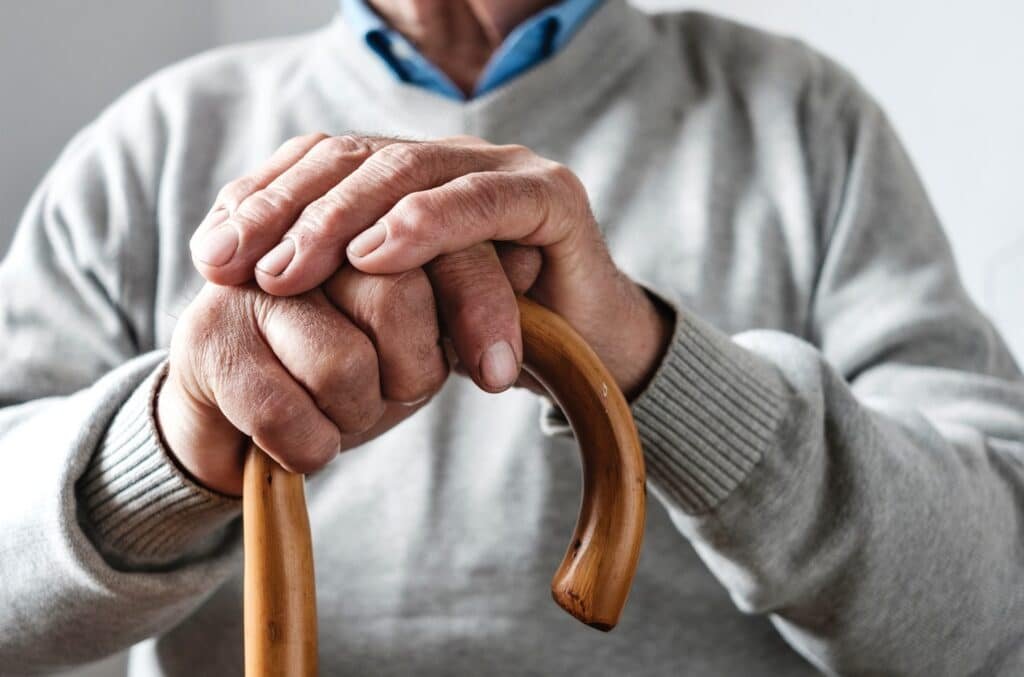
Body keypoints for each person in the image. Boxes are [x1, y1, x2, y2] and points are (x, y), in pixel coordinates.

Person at [1, 0, 1022, 674]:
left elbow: (988, 604)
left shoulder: (806, 119)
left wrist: (652, 364)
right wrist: (172, 443)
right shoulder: (154, 141)